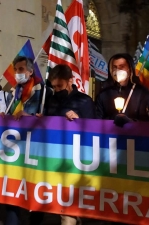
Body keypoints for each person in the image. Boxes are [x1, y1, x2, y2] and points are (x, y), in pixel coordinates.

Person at [33, 64, 95, 225]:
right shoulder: (51, 100)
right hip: (54, 160)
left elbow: (95, 130)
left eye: (59, 86)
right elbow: (47, 122)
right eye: (53, 87)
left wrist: (80, 119)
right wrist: (41, 119)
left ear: (70, 81)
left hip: (75, 163)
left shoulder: (84, 101)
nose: (56, 90)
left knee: (69, 212)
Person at [95, 53, 149, 126]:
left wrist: (131, 122)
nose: (117, 70)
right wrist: (113, 118)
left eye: (121, 66)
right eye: (115, 67)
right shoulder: (104, 94)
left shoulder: (142, 93)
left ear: (130, 69)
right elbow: (97, 121)